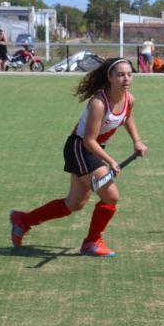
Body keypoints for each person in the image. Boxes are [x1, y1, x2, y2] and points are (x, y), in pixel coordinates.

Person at [9, 58, 148, 257]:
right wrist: (110, 161)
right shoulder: (99, 103)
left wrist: (137, 140)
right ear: (109, 77)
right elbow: (88, 141)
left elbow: (127, 116)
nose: (126, 78)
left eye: (129, 74)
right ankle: (92, 242)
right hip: (80, 148)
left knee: (74, 203)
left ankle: (22, 220)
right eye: (120, 74)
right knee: (111, 196)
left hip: (92, 149)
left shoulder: (128, 98)